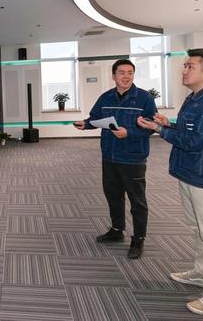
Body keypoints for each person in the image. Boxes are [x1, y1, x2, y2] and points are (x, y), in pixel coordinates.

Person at [137, 48, 203, 316]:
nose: (184, 70)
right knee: (198, 229)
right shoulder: (194, 99)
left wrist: (159, 129)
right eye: (185, 66)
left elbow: (196, 141)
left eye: (190, 66)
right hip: (191, 174)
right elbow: (189, 131)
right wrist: (169, 124)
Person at [74, 59, 156, 259]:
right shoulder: (106, 97)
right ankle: (117, 230)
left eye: (130, 73)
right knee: (113, 196)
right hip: (109, 156)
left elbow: (152, 127)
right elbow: (95, 118)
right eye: (121, 73)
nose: (126, 76)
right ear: (113, 76)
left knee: (137, 202)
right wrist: (85, 124)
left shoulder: (144, 98)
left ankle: (138, 240)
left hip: (133, 158)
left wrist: (129, 133)